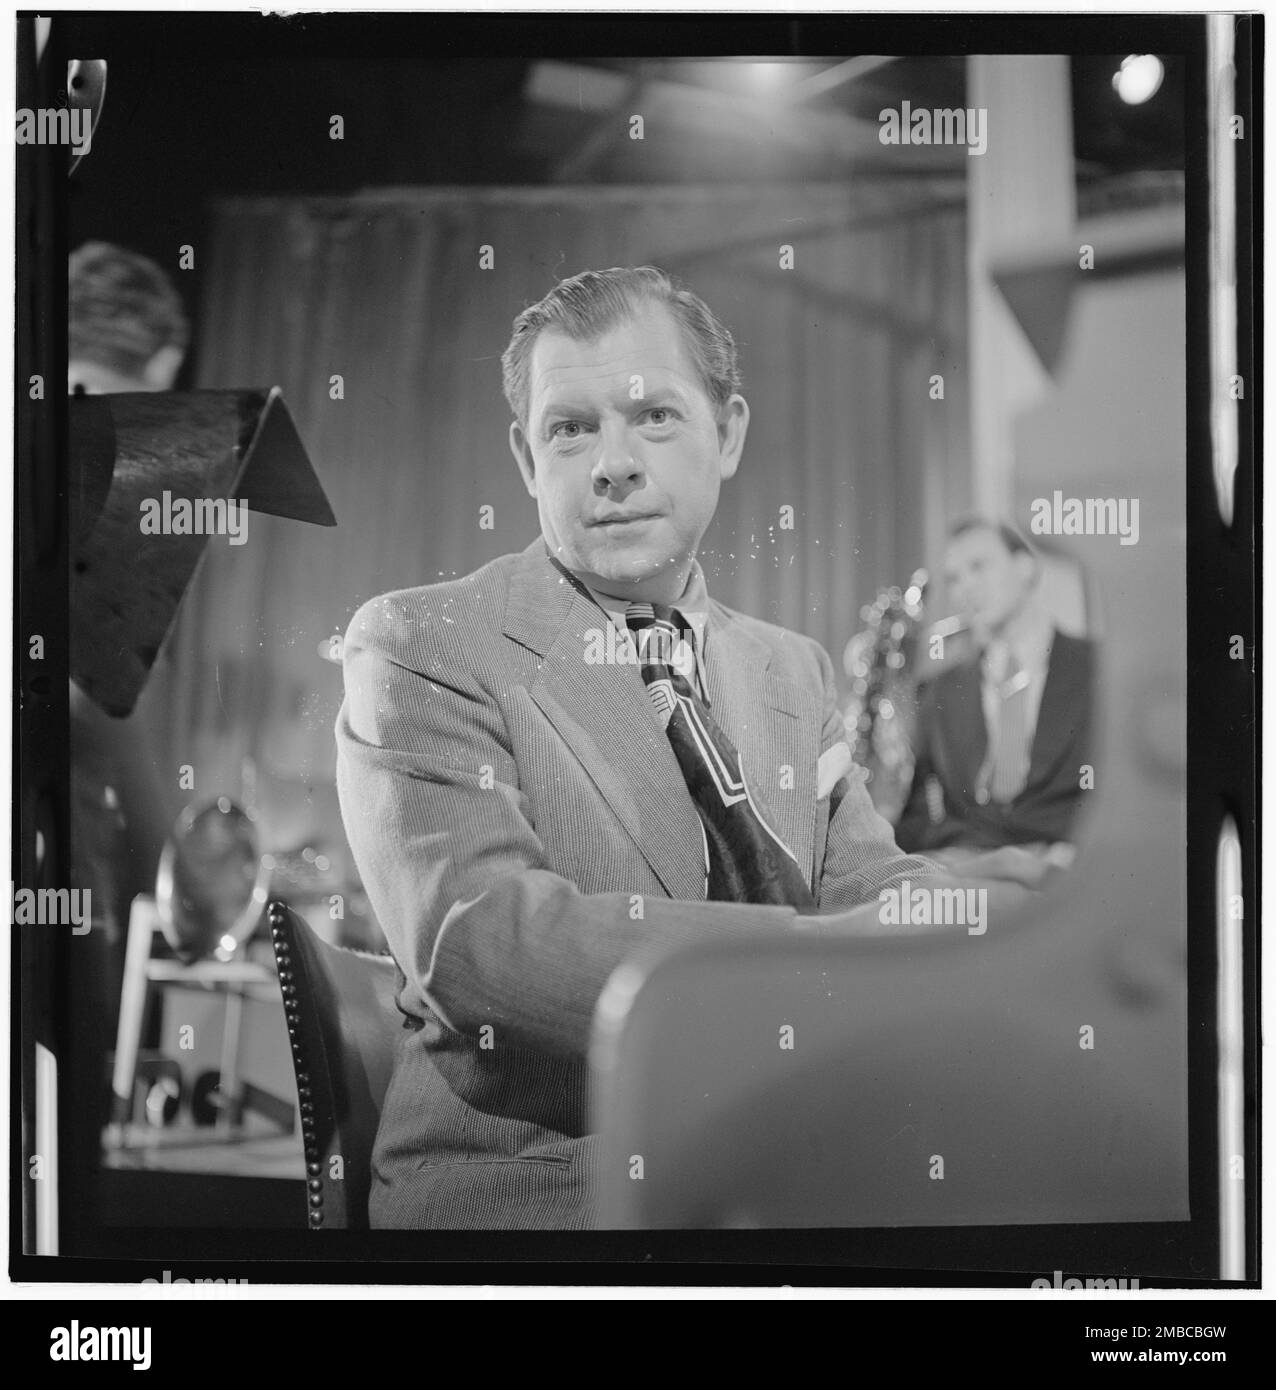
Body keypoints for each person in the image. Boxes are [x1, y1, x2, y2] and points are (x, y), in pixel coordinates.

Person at [335, 267, 1041, 1231]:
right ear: (526, 457)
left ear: (730, 432)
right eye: (569, 428)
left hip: (795, 1169)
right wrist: (827, 955)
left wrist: (1004, 916)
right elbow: (491, 948)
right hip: (552, 1201)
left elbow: (872, 887)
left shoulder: (792, 672)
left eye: (654, 416)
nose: (611, 463)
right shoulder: (423, 643)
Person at [895, 517, 1095, 862]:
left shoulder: (1097, 669)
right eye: (954, 579)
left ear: (1025, 568)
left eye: (978, 566)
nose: (966, 588)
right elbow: (913, 819)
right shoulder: (937, 692)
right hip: (972, 880)